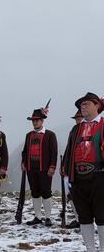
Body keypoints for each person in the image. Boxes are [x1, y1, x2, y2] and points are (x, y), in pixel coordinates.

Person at [64, 92, 104, 252]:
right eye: (81, 104)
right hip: (78, 179)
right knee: (84, 217)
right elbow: (68, 154)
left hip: (99, 178)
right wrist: (67, 177)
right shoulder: (75, 129)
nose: (83, 106)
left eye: (87, 103)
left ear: (97, 106)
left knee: (102, 217)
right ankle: (90, 249)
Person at [21, 107, 58, 227]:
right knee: (35, 192)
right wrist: (23, 162)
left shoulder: (50, 135)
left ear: (42, 121)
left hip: (45, 169)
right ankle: (37, 217)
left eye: (37, 120)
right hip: (31, 169)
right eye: (33, 120)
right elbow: (25, 151)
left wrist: (52, 167)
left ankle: (48, 217)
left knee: (46, 192)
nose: (35, 122)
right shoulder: (28, 135)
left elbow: (54, 152)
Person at [62, 110, 83, 229]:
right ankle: (78, 218)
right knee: (70, 194)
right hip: (70, 168)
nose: (77, 120)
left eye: (79, 118)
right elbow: (68, 149)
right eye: (76, 119)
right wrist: (64, 165)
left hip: (82, 168)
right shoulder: (74, 130)